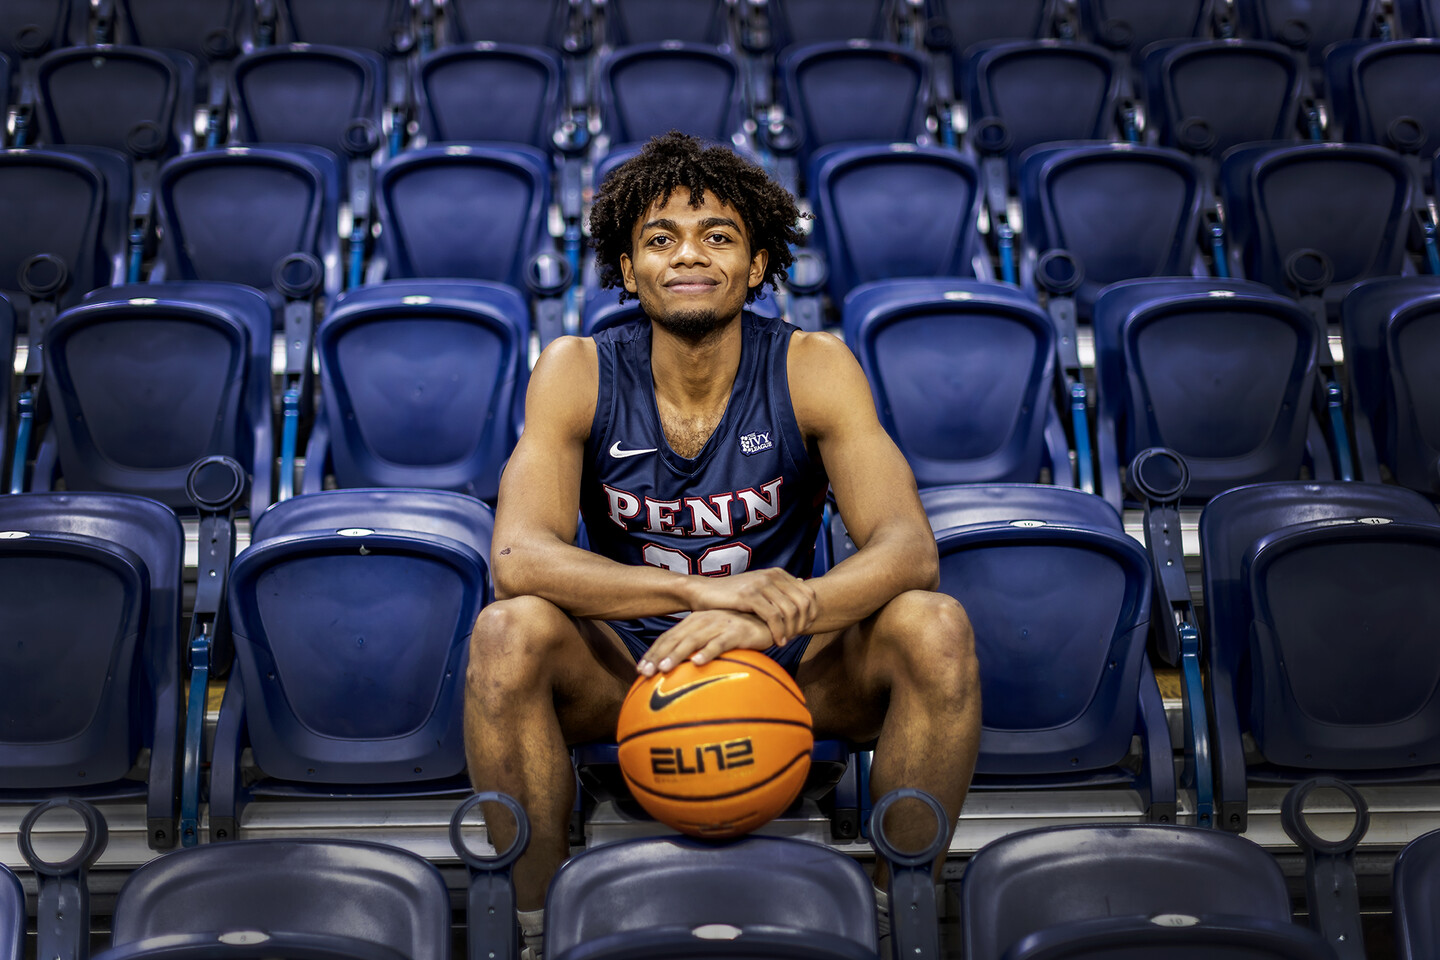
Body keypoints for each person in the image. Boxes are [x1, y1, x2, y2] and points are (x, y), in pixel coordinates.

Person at [465, 131, 980, 955]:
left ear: (760, 264)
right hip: (630, 667)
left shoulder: (813, 365)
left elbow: (907, 549)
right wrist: (700, 594)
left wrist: (778, 614)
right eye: (659, 238)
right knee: (506, 633)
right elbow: (519, 558)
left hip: (785, 661)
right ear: (628, 270)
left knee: (935, 625)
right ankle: (535, 931)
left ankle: (896, 921)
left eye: (719, 235)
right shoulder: (577, 367)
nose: (689, 255)